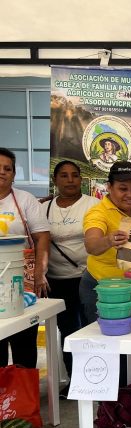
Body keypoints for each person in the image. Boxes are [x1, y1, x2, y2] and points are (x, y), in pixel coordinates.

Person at [42, 161, 100, 391]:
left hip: (88, 277)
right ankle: (75, 381)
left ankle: (95, 380)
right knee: (68, 331)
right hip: (57, 280)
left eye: (75, 175)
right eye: (64, 175)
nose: (70, 180)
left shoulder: (93, 205)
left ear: (81, 180)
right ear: (55, 180)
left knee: (91, 329)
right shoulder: (44, 208)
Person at [0, 147, 50, 368]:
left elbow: (42, 237)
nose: (2, 172)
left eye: (7, 168)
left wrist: (39, 274)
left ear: (13, 174)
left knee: (24, 338)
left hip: (21, 278)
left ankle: (24, 387)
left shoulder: (25, 200)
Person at [81, 162, 131, 323]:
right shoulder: (98, 213)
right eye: (123, 189)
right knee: (104, 335)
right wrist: (108, 240)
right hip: (103, 290)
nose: (130, 195)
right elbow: (91, 245)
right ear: (109, 187)